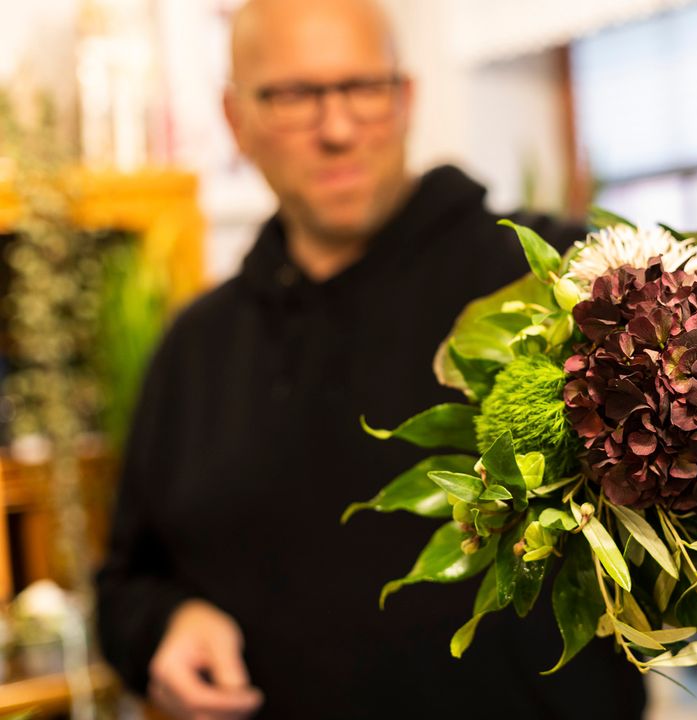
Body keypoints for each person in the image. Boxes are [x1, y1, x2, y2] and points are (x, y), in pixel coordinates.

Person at [94, 0, 647, 718]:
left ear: (406, 96)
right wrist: (166, 626)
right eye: (293, 95)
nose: (337, 128)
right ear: (235, 118)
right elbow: (123, 583)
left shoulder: (561, 285)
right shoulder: (194, 348)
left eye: (362, 87)